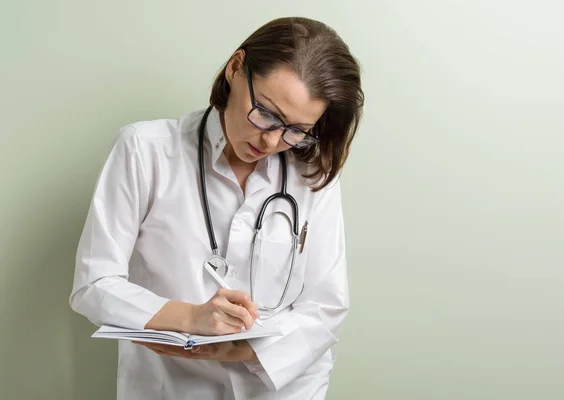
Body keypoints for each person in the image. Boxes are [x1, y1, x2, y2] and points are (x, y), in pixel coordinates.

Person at [69, 16, 364, 399]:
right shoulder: (146, 151)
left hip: (282, 388)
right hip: (171, 386)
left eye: (295, 130)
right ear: (236, 68)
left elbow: (326, 306)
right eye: (268, 114)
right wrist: (190, 317)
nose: (272, 140)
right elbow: (93, 285)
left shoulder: (313, 174)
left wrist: (241, 349)